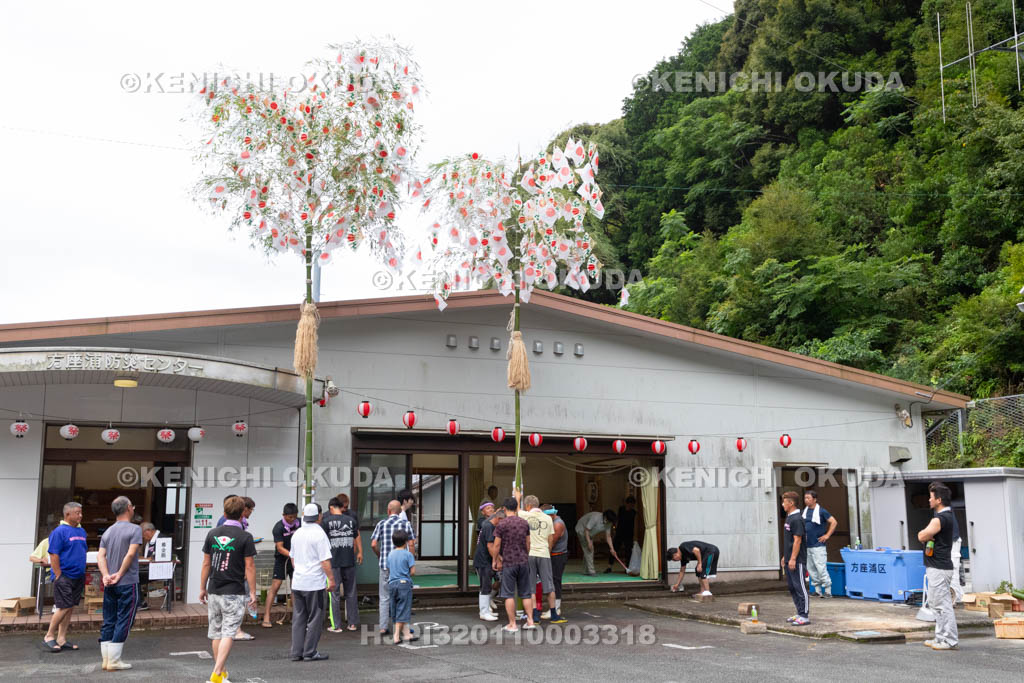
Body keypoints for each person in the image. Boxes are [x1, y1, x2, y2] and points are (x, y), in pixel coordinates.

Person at [199, 495, 257, 683]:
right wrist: (253, 592)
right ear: (242, 515)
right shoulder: (245, 537)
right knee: (229, 632)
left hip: (214, 588)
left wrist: (202, 588)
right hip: (234, 590)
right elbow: (249, 566)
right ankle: (216, 674)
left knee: (217, 632)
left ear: (224, 513)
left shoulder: (212, 533)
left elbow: (206, 563)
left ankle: (221, 671)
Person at [97, 496, 142, 671]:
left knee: (109, 619)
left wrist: (106, 575)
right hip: (128, 581)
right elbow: (130, 555)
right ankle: (114, 661)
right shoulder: (135, 529)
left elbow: (100, 555)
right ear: (129, 508)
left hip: (110, 583)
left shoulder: (108, 531)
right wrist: (119, 574)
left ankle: (106, 660)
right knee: (125, 619)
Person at [289, 502, 334, 662]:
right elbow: (325, 562)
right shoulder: (319, 534)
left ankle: (296, 652)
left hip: (298, 582)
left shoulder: (297, 534)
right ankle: (309, 652)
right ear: (319, 516)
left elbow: (293, 558)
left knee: (299, 617)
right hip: (314, 583)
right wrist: (331, 580)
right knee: (315, 617)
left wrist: (301, 570)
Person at [42, 501, 87, 653]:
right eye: (77, 513)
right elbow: (53, 554)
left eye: (81, 512)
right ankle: (49, 636)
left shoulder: (81, 532)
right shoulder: (59, 531)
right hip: (64, 576)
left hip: (78, 576)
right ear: (68, 514)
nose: (80, 515)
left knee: (70, 607)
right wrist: (59, 575)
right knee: (64, 606)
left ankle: (61, 638)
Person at [919, 482, 958, 651]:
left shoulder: (940, 518)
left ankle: (949, 640)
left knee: (943, 604)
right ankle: (940, 637)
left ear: (939, 500)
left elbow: (921, 535)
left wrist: (925, 535)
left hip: (939, 567)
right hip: (939, 566)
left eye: (931, 497)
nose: (929, 500)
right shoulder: (945, 517)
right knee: (936, 603)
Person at [513, 489, 561, 623]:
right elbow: (550, 538)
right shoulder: (548, 518)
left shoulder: (526, 516)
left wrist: (517, 497)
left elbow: (515, 511)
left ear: (528, 506)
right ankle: (554, 614)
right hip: (544, 554)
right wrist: (548, 550)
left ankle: (535, 616)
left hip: (530, 554)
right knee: (549, 586)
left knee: (532, 586)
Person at [370, 500, 415, 635]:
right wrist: (410, 561)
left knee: (384, 597)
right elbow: (412, 545)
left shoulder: (381, 524)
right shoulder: (405, 524)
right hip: (401, 568)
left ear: (388, 511)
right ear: (400, 511)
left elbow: (373, 544)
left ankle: (383, 627)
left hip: (385, 565)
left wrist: (379, 555)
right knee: (403, 598)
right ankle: (402, 627)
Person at [493, 496, 536, 632]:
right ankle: (530, 621)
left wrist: (495, 559)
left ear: (504, 509)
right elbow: (528, 543)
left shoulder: (502, 524)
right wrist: (525, 554)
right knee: (526, 593)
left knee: (508, 594)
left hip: (509, 562)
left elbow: (497, 544)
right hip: (523, 561)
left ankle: (512, 624)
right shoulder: (524, 523)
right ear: (517, 507)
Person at [322, 495, 362, 633]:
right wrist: (359, 552)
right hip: (349, 561)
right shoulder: (351, 520)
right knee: (351, 593)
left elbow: (322, 542)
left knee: (334, 594)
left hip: (333, 562)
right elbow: (357, 536)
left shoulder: (326, 522)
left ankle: (336, 626)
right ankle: (352, 624)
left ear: (332, 507)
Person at [262, 503, 300, 628]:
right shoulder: (278, 527)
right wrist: (292, 555)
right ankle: (266, 616)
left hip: (296, 560)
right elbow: (279, 547)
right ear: (284, 515)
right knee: (275, 586)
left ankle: (296, 617)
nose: (292, 519)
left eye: (294, 517)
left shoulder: (300, 523)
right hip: (282, 560)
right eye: (290, 517)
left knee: (295, 587)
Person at [781, 491, 810, 626]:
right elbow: (790, 542)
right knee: (792, 588)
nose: (782, 505)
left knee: (800, 587)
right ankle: (798, 613)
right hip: (789, 559)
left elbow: (797, 540)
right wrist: (785, 557)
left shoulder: (797, 519)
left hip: (797, 561)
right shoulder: (789, 517)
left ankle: (804, 615)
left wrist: (793, 559)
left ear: (791, 503)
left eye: (784, 502)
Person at [802, 491, 837, 598]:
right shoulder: (805, 511)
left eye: (808, 498)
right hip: (807, 545)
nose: (806, 500)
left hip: (818, 545)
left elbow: (834, 522)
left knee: (821, 568)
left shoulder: (822, 511)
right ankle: (817, 590)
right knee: (811, 568)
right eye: (805, 498)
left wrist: (827, 535)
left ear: (814, 499)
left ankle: (827, 590)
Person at [386, 529, 417, 645]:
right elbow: (412, 571)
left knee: (395, 608)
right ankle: (396, 635)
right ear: (405, 542)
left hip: (392, 583)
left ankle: (407, 634)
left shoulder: (390, 554)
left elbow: (388, 569)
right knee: (403, 608)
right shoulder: (408, 555)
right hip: (404, 583)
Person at [473, 501, 500, 621]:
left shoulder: (491, 525)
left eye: (492, 508)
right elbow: (490, 546)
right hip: (483, 560)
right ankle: (484, 611)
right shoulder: (487, 524)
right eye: (487, 508)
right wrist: (496, 560)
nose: (490, 510)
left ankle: (486, 609)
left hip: (487, 559)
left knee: (489, 585)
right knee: (485, 586)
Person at [541, 504, 568, 621]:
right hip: (552, 555)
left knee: (555, 581)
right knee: (552, 581)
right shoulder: (552, 522)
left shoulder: (558, 524)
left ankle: (556, 608)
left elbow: (551, 543)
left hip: (558, 556)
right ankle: (553, 607)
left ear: (551, 514)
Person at [575, 509, 618, 576]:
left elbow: (608, 536)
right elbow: (586, 530)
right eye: (609, 520)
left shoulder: (609, 522)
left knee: (588, 550)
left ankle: (585, 571)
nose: (610, 522)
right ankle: (591, 571)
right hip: (581, 529)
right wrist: (589, 542)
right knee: (590, 550)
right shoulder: (595, 518)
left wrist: (612, 549)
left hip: (589, 533)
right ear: (605, 517)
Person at [607, 496, 636, 574]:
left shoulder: (633, 512)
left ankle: (627, 567)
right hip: (619, 532)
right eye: (629, 504)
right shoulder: (621, 509)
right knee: (614, 548)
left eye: (632, 505)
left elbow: (634, 525)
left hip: (629, 534)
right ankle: (609, 566)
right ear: (626, 503)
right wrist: (613, 529)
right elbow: (617, 520)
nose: (631, 506)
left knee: (628, 551)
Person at [396, 489, 418, 556]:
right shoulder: (401, 514)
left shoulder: (401, 513)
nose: (412, 502)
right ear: (405, 501)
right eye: (410, 499)